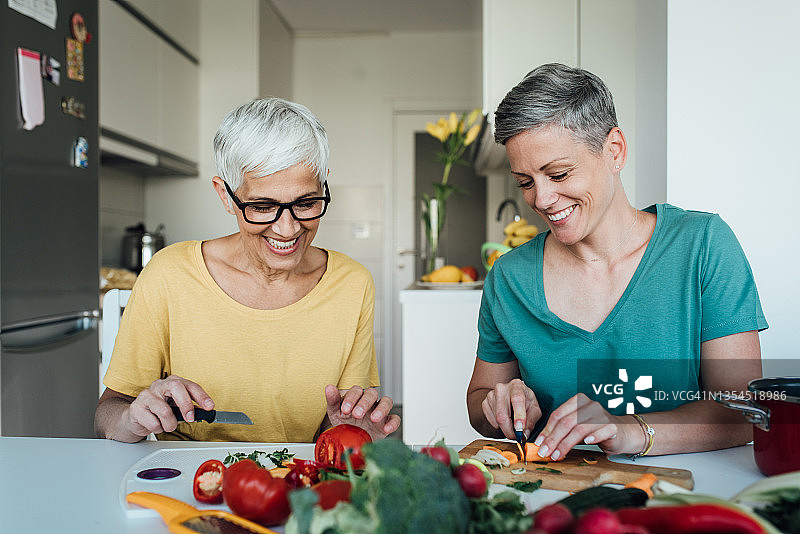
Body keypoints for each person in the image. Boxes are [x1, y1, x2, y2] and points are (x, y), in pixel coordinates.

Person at [466, 63, 766, 461]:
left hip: (682, 491)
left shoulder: (702, 245)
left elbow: (744, 411)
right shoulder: (509, 278)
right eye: (525, 182)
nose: (541, 199)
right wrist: (501, 404)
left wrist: (628, 430)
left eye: (558, 173)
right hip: (552, 493)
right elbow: (479, 400)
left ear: (615, 150)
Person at [95, 97, 400, 443]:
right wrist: (132, 418)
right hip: (187, 483)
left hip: (295, 483)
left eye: (306, 203)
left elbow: (335, 432)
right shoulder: (168, 274)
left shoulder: (352, 284)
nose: (288, 229)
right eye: (261, 206)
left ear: (324, 186)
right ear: (225, 196)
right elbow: (107, 414)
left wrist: (352, 430)